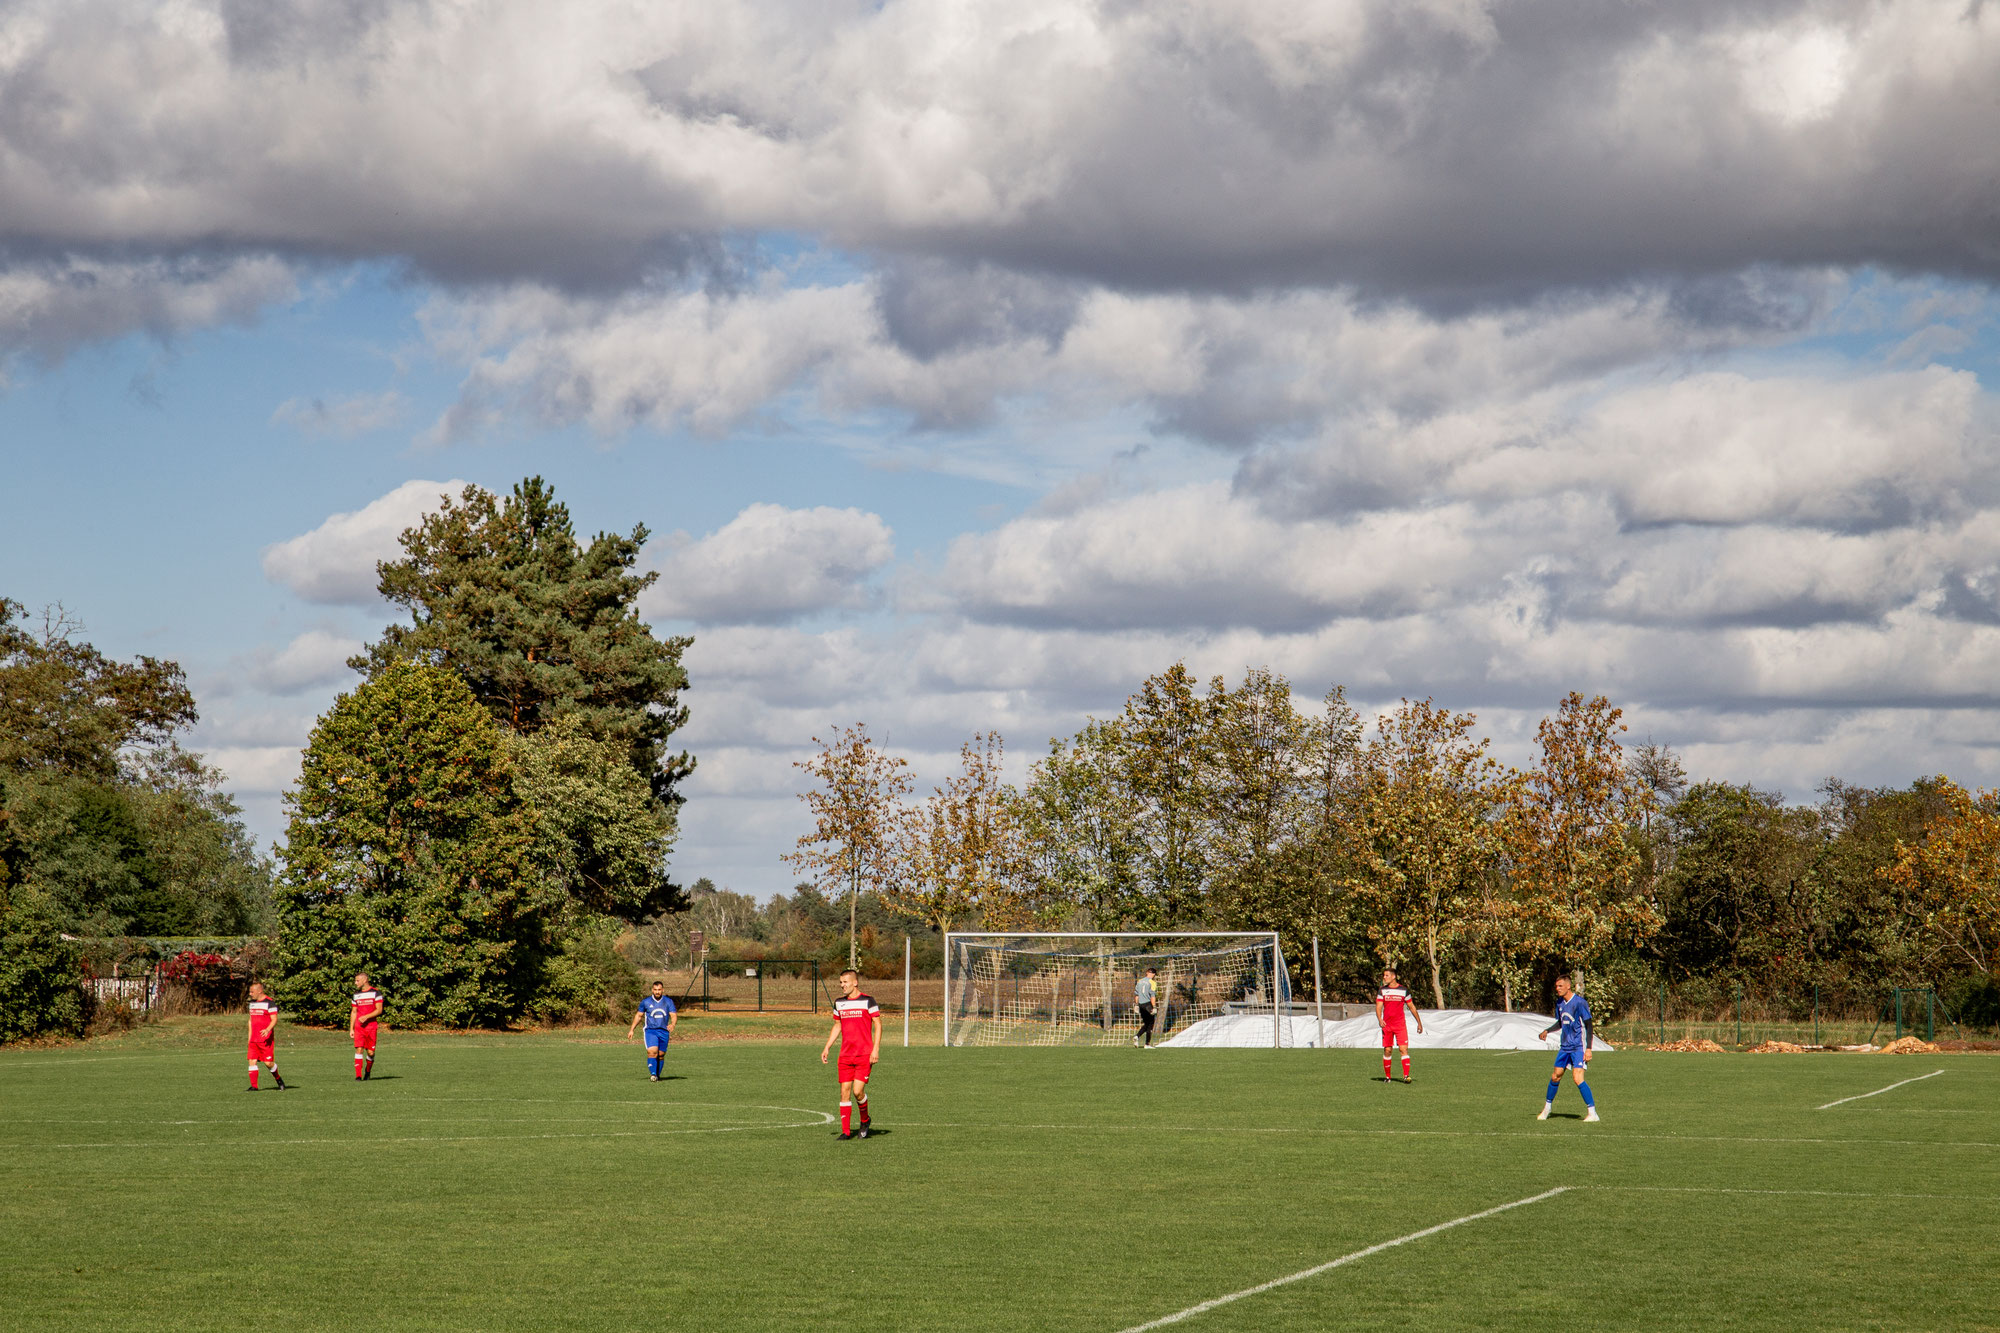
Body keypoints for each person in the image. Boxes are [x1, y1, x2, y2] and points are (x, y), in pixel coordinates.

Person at [820, 969, 881, 1140]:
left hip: (864, 1055)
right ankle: (846, 1132)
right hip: (845, 1055)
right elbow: (837, 1026)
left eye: (845, 982)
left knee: (857, 1092)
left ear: (855, 982)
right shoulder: (839, 1003)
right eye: (840, 982)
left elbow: (878, 1024)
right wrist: (827, 1047)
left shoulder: (868, 1001)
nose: (842, 985)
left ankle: (865, 1120)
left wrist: (875, 1049)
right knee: (844, 1092)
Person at [1537, 974, 1598, 1122]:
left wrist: (1588, 1049)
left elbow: (1589, 1025)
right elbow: (1561, 1022)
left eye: (1560, 986)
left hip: (1577, 1047)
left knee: (1578, 1078)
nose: (1557, 989)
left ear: (1568, 986)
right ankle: (1547, 1109)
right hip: (1564, 1047)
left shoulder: (1579, 1003)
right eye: (1556, 986)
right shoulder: (1559, 1003)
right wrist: (1547, 1031)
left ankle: (1593, 1113)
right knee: (1555, 1076)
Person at [1375, 967, 1424, 1082]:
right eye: (1384, 975)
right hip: (1387, 1025)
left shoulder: (1404, 990)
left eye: (1387, 975)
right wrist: (1380, 1019)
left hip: (1400, 1025)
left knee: (1403, 1049)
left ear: (1393, 976)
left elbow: (1411, 1006)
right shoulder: (1382, 990)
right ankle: (1388, 1077)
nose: (1384, 977)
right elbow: (1378, 1006)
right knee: (1388, 1050)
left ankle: (1406, 1076)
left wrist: (1419, 1023)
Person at [627, 981, 678, 1081]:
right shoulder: (646, 1002)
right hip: (650, 1031)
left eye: (659, 990)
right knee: (652, 1052)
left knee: (661, 1054)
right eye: (655, 990)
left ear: (662, 990)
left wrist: (673, 1024)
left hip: (664, 1031)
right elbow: (638, 1016)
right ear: (652, 990)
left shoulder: (668, 1001)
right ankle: (653, 1074)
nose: (657, 992)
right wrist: (631, 1029)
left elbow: (673, 1014)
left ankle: (657, 1075)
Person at [245, 982, 286, 1091]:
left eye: (252, 992)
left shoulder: (270, 1003)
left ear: (259, 991)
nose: (250, 994)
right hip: (254, 1039)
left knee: (268, 1063)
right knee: (252, 1060)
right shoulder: (252, 1003)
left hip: (265, 1039)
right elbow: (250, 1021)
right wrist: (249, 1037)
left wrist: (268, 1029)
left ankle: (278, 1078)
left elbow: (274, 1019)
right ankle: (254, 1086)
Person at [350, 972, 384, 1080]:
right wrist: (351, 1028)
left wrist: (367, 1016)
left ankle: (368, 1071)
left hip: (371, 1026)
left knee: (370, 1052)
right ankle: (358, 1076)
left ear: (365, 980)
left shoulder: (376, 993)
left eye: (357, 980)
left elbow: (379, 1010)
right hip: (359, 1027)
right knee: (359, 1049)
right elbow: (354, 1012)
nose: (355, 983)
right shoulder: (356, 994)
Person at [1133, 967, 1159, 1048]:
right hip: (1148, 1004)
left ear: (1147, 972)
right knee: (1150, 1024)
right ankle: (1147, 1044)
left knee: (1147, 1023)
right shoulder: (1152, 982)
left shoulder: (1139, 981)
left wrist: (1136, 1005)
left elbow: (1136, 995)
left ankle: (1137, 1036)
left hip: (1140, 1005)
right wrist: (1154, 1006)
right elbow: (1152, 996)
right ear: (1154, 974)